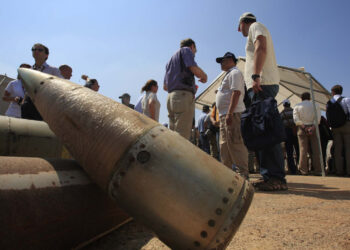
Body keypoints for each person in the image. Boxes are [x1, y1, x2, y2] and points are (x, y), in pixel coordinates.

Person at [238, 12, 286, 189]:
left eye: (239, 26)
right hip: (261, 84)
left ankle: (276, 178)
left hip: (262, 84)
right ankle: (269, 176)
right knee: (261, 131)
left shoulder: (255, 27)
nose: (238, 30)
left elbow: (261, 47)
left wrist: (256, 76)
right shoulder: (255, 28)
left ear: (243, 23)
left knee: (266, 131)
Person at [164, 38, 207, 139]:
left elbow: (165, 87)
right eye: (195, 51)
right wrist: (204, 76)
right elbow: (193, 67)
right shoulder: (186, 50)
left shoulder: (170, 61)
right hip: (182, 97)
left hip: (171, 97)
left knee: (173, 136)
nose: (194, 54)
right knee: (182, 136)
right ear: (192, 46)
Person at [215, 52, 249, 178]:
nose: (221, 64)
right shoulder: (228, 74)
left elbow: (236, 92)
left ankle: (243, 175)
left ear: (230, 60)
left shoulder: (235, 73)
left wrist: (229, 113)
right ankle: (227, 176)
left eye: (223, 61)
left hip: (233, 114)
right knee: (225, 146)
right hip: (226, 115)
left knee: (235, 144)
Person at [21, 43, 63, 120]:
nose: (36, 51)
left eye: (40, 50)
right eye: (34, 49)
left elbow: (61, 86)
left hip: (44, 104)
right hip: (28, 104)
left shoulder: (54, 70)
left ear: (46, 55)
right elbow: (26, 90)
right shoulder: (29, 71)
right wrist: (23, 102)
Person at [293, 92, 322, 175]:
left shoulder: (297, 106)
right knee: (316, 150)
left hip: (302, 128)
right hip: (314, 127)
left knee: (303, 150)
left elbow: (296, 119)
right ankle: (318, 170)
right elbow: (318, 118)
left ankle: (303, 170)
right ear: (309, 98)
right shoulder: (315, 105)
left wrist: (304, 127)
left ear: (301, 98)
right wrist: (312, 127)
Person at [329, 85, 350, 176]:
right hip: (346, 125)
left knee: (337, 149)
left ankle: (339, 170)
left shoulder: (329, 102)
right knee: (348, 148)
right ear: (341, 91)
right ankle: (349, 171)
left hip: (335, 128)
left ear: (332, 92)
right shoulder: (346, 100)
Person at [280, 99, 299, 174]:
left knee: (289, 152)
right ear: (290, 104)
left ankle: (292, 169)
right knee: (298, 150)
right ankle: (299, 167)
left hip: (287, 132)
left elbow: (280, 124)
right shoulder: (294, 111)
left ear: (284, 105)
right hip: (295, 131)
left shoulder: (282, 113)